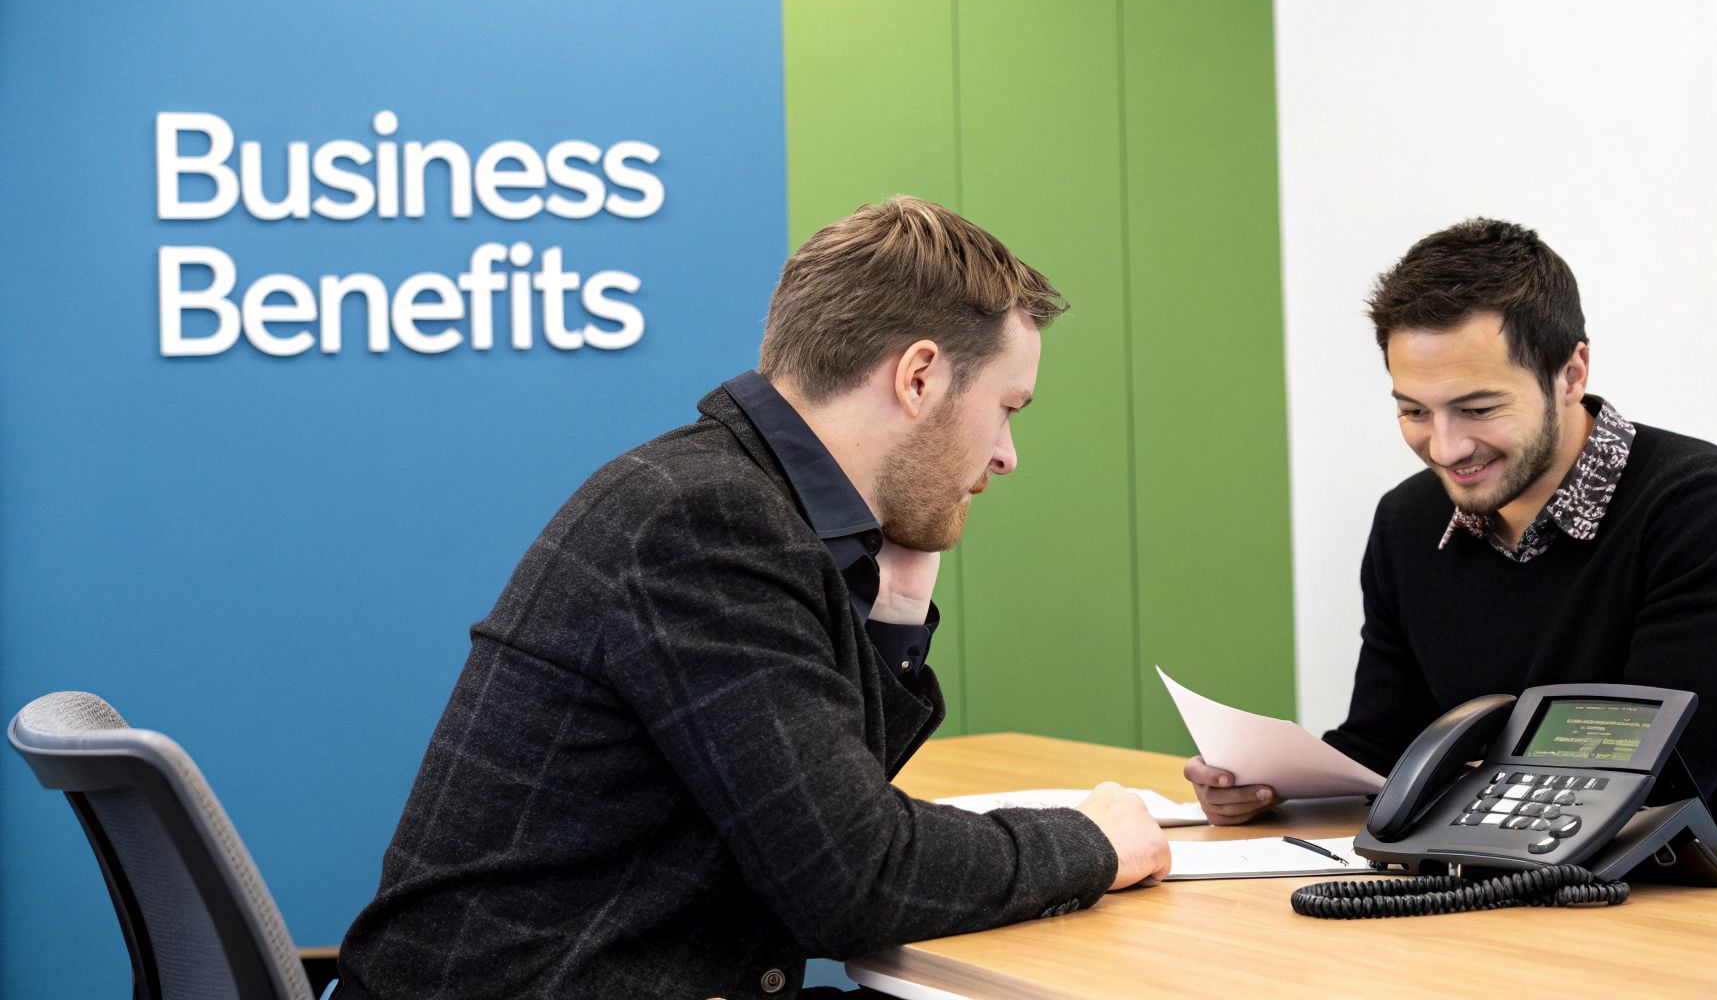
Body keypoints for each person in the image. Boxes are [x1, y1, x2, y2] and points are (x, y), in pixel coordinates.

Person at [334, 196, 1170, 1000]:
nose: (1006, 455)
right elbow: (855, 877)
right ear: (919, 377)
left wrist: (898, 602)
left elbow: (822, 815)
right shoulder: (707, 520)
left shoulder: (731, 497)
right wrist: (1093, 842)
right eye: (1005, 409)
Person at [1185, 218, 1717, 844]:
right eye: (1413, 411)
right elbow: (1387, 743)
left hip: (1716, 884)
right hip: (1496, 872)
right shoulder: (1410, 521)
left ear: (1571, 375)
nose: (1445, 446)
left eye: (1478, 409)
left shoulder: (1713, 510)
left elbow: (1647, 777)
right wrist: (1272, 783)